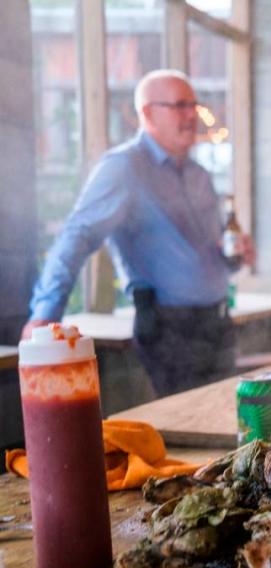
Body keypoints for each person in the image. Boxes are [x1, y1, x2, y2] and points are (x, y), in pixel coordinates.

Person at [23, 69, 253, 397]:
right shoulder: (124, 168)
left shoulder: (199, 173)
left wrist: (236, 256)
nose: (192, 115)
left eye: (193, 104)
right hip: (169, 329)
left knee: (227, 420)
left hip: (217, 321)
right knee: (193, 428)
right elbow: (77, 236)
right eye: (179, 106)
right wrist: (45, 314)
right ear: (147, 113)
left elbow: (214, 255)